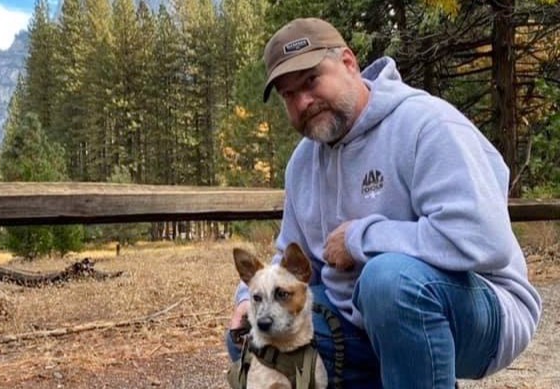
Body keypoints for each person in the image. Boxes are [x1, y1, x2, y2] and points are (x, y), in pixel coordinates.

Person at [226, 17, 542, 388]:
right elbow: (293, 262)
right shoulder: (302, 163)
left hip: (481, 311)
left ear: (348, 63)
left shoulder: (427, 124)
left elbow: (485, 241)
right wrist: (248, 298)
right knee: (254, 338)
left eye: (311, 80)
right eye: (288, 95)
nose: (303, 102)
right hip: (362, 318)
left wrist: (361, 239)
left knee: (388, 282)